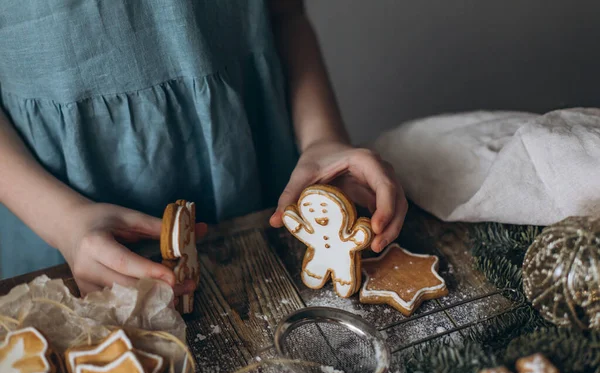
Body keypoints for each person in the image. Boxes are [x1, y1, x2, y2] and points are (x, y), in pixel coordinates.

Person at [0, 0, 407, 296]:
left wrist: (324, 139)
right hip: (57, 216)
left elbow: (285, 14)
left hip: (257, 186)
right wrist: (64, 221)